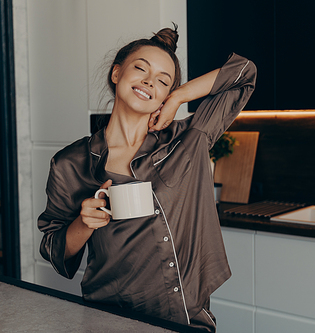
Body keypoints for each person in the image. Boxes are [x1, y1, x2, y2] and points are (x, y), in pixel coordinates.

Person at [37, 24, 256, 332]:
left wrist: (179, 96)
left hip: (185, 319)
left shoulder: (188, 139)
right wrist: (83, 224)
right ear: (116, 74)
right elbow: (53, 249)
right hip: (106, 319)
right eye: (140, 69)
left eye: (162, 81)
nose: (148, 82)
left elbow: (245, 73)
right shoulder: (70, 163)